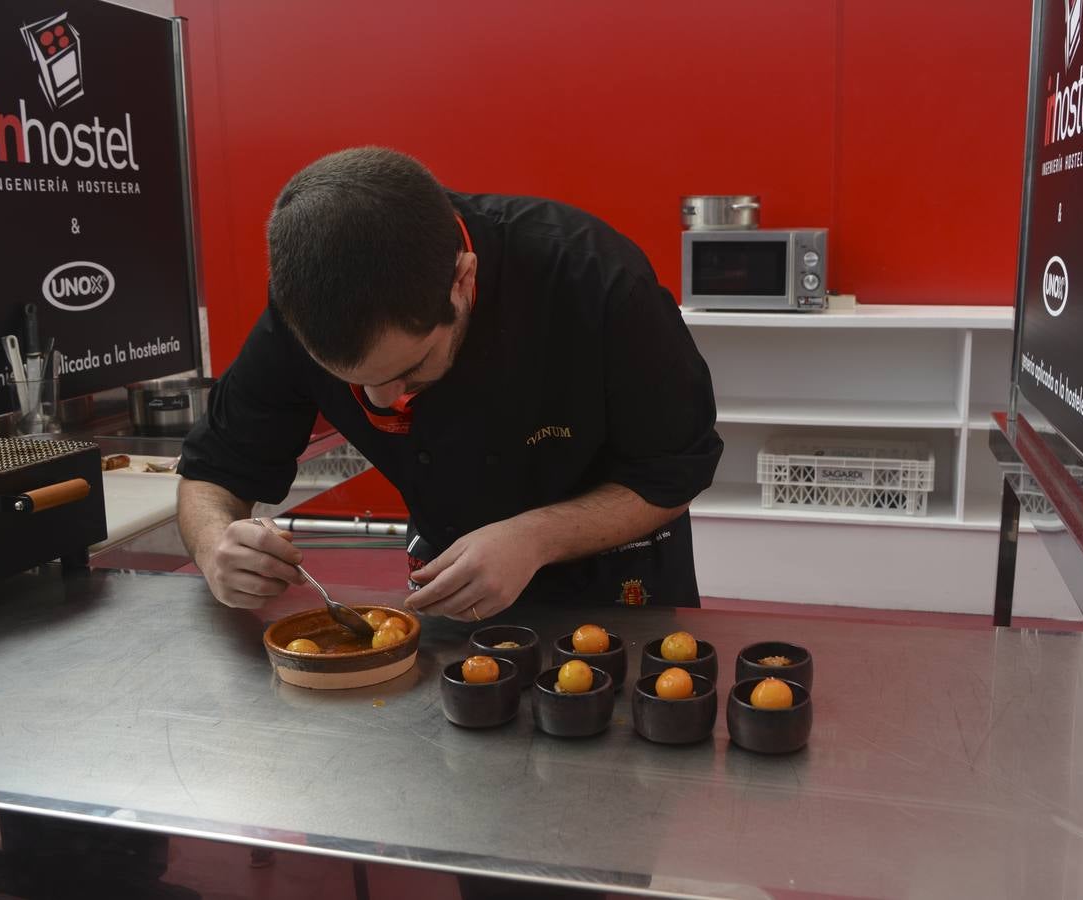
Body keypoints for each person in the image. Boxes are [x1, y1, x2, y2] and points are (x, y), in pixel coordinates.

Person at [176, 147, 722, 619]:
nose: (387, 405)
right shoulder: (303, 309)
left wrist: (534, 537)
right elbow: (212, 471)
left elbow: (673, 470)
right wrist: (214, 545)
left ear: (463, 282)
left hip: (616, 581)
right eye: (353, 384)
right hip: (447, 586)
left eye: (409, 371)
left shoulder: (595, 281)